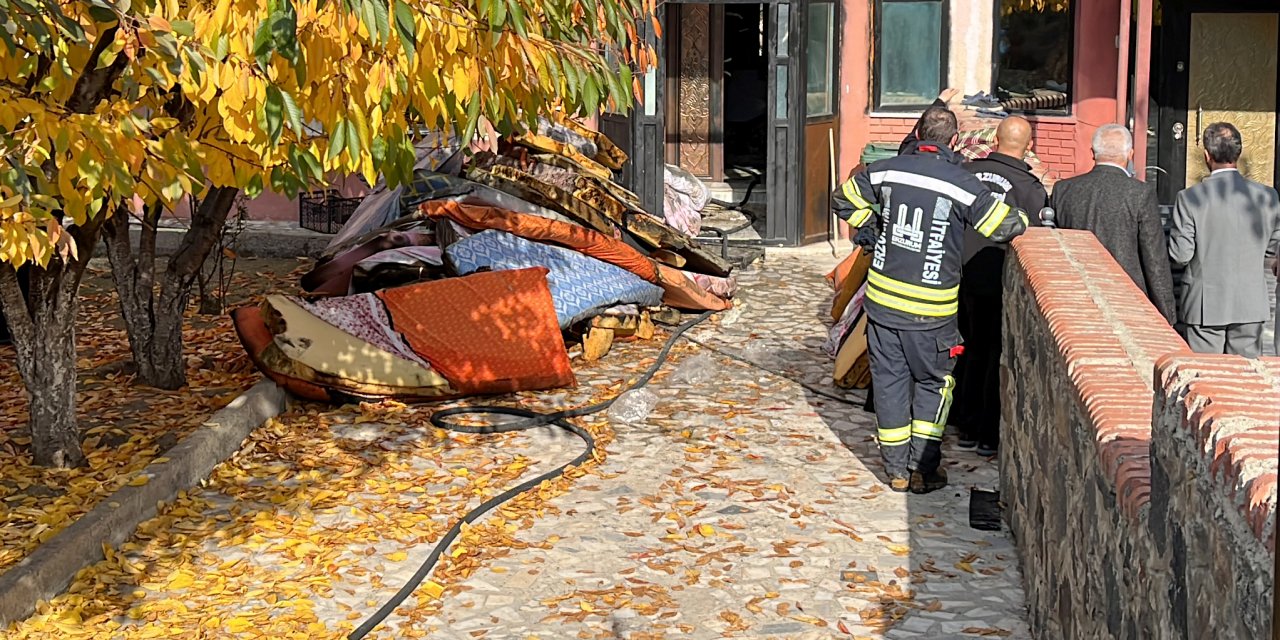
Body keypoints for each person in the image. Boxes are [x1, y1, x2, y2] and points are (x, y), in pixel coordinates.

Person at [831, 107, 1029, 494]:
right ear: (953, 141)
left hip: (883, 304)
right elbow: (1001, 226)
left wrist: (873, 228)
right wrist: (1022, 217)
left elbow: (844, 199)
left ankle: (896, 471)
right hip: (932, 313)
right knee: (934, 385)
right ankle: (923, 468)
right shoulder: (962, 183)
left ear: (919, 132)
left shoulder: (887, 169)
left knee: (889, 383)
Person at [953, 116, 1047, 456]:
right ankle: (986, 433)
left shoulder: (964, 172)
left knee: (963, 348)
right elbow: (1036, 239)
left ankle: (961, 424)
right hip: (999, 282)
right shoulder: (1029, 188)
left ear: (994, 139)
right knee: (994, 353)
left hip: (956, 275)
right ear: (1030, 146)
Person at [1168, 122, 1280, 358]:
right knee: (1244, 379)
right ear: (1238, 153)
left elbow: (1181, 255)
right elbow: (1272, 248)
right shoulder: (1268, 196)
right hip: (1250, 303)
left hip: (1204, 304)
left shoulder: (1189, 198)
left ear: (1207, 156)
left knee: (1207, 378)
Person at [1051, 124, 1176, 323]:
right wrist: (1166, 313)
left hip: (1076, 295)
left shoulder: (1063, 190)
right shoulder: (1140, 193)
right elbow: (1154, 257)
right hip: (1126, 297)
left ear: (1093, 153)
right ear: (1130, 154)